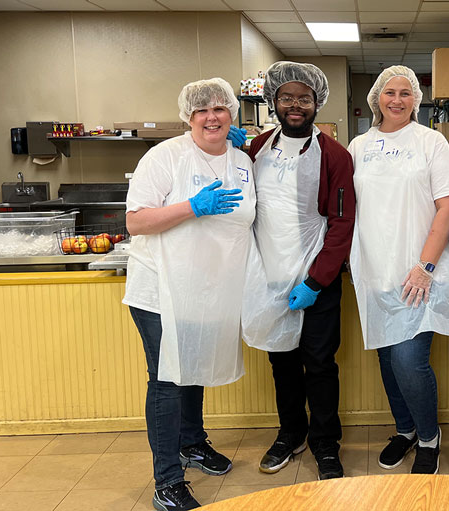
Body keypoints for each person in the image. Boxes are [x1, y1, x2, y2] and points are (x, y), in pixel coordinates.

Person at [123, 77, 256, 511]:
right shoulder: (165, 157)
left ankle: (192, 443)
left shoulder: (241, 161)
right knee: (167, 382)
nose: (211, 116)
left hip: (209, 289)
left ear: (233, 113)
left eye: (220, 108)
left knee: (193, 367)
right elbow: (137, 222)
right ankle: (167, 481)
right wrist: (191, 207)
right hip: (161, 289)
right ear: (188, 116)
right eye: (202, 110)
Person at [347, 65, 449, 475]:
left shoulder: (430, 142)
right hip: (375, 272)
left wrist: (424, 266)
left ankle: (429, 437)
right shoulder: (359, 145)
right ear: (377, 98)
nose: (397, 100)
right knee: (387, 359)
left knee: (409, 361)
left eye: (405, 93)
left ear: (416, 100)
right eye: (389, 92)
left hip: (419, 273)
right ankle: (405, 430)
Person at [240, 61, 356, 481]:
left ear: (316, 103)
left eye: (303, 98)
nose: (295, 105)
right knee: (281, 363)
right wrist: (229, 152)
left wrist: (317, 280)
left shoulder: (336, 156)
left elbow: (342, 224)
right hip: (269, 277)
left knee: (320, 363)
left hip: (315, 280)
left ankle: (326, 442)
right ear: (273, 102)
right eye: (286, 97)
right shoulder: (254, 151)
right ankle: (291, 433)